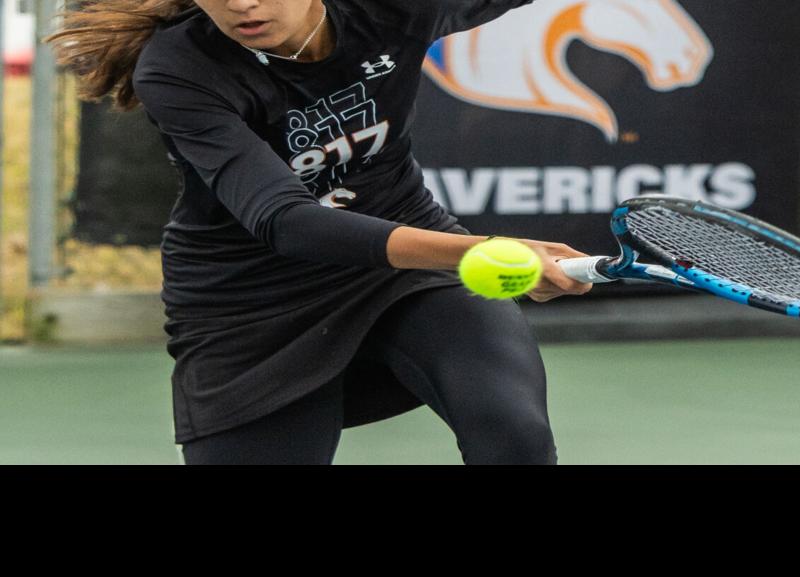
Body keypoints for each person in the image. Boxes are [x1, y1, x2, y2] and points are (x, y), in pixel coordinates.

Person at [46, 0, 588, 464]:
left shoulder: (389, 10)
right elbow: (286, 219)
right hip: (250, 305)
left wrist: (455, 256)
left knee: (514, 434)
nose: (243, 6)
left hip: (405, 276)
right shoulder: (179, 67)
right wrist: (477, 250)